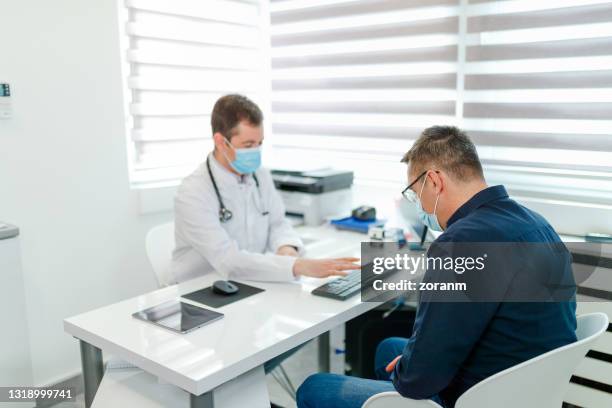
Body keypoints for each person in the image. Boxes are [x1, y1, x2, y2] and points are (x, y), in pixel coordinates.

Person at [296, 126, 577, 408]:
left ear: (434, 181)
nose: (418, 205)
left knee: (314, 388)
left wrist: (412, 368)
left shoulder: (460, 242)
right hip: (529, 383)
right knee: (389, 348)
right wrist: (415, 362)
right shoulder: (535, 223)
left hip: (481, 397)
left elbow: (418, 382)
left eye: (415, 194)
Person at [170, 94, 359, 283]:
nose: (256, 151)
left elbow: (277, 224)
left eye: (259, 143)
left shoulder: (260, 176)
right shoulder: (193, 192)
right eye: (248, 145)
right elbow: (228, 260)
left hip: (249, 282)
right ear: (220, 142)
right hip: (200, 289)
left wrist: (287, 248)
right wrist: (296, 266)